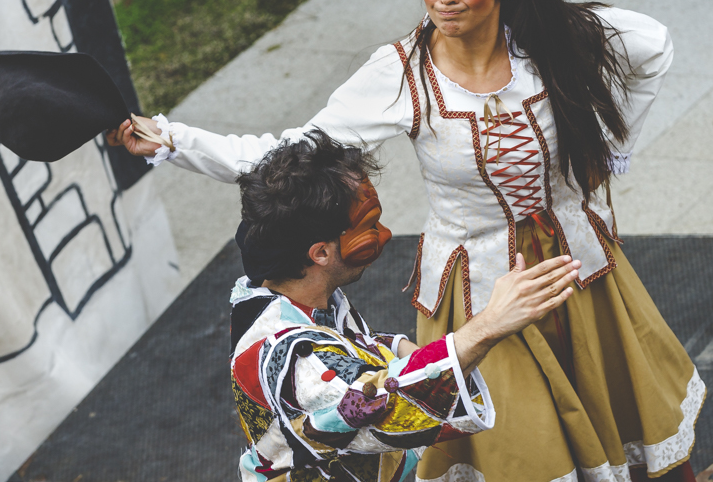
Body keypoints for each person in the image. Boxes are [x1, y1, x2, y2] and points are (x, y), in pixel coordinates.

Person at [110, 0, 704, 481]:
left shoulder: (547, 44)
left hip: (576, 269)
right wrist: (172, 141)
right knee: (518, 446)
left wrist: (604, 146)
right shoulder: (400, 73)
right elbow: (291, 154)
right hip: (478, 287)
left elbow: (651, 44)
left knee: (618, 416)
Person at [228, 129, 579, 482]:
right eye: (369, 225)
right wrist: (489, 326)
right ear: (320, 253)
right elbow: (379, 403)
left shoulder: (278, 291)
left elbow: (346, 349)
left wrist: (394, 347)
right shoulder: (291, 357)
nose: (385, 234)